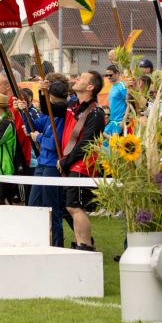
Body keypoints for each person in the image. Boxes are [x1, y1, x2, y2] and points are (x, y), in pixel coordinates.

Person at [17, 80, 70, 247]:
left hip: (52, 165)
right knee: (33, 204)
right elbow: (34, 125)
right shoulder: (48, 114)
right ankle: (37, 240)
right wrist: (24, 111)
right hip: (42, 164)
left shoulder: (62, 116)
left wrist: (38, 137)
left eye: (51, 100)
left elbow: (55, 143)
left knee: (52, 208)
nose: (50, 104)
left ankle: (56, 243)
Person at [58, 70, 106, 251]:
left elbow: (86, 141)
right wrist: (43, 91)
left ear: (90, 86)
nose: (77, 78)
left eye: (82, 78)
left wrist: (67, 160)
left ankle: (85, 245)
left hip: (83, 164)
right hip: (74, 163)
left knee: (75, 206)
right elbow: (50, 108)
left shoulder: (96, 112)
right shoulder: (73, 105)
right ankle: (80, 244)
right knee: (71, 207)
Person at [104, 64, 127, 137]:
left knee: (114, 145)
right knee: (104, 143)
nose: (108, 77)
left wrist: (123, 121)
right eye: (106, 75)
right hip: (112, 121)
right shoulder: (113, 86)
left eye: (110, 75)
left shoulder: (122, 86)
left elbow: (129, 104)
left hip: (119, 122)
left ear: (117, 73)